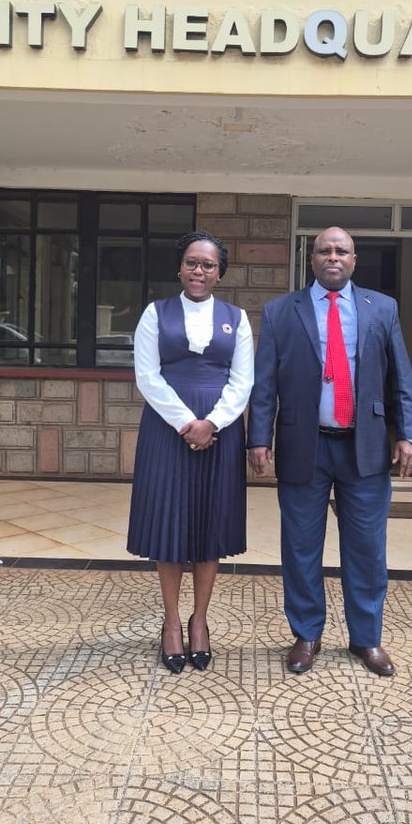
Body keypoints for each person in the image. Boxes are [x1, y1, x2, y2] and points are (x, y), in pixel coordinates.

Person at [247, 226, 412, 676]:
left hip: (365, 451)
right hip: (305, 446)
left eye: (342, 251)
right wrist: (258, 438)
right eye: (324, 251)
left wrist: (408, 435)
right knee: (301, 547)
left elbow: (400, 377)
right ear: (312, 259)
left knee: (366, 548)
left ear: (354, 260)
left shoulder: (381, 308)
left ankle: (367, 639)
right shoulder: (282, 311)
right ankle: (306, 634)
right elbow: (264, 383)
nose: (333, 257)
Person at [127, 230, 253, 673]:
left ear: (220, 272)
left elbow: (243, 382)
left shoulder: (237, 319)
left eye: (209, 265)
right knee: (169, 525)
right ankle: (171, 623)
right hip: (167, 430)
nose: (199, 271)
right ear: (179, 267)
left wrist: (212, 424)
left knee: (208, 525)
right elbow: (147, 376)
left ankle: (199, 621)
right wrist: (187, 424)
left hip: (220, 431)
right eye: (192, 263)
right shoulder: (154, 314)